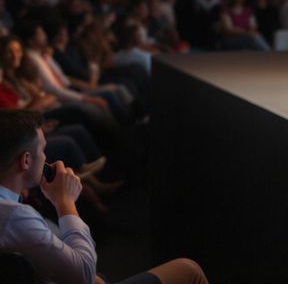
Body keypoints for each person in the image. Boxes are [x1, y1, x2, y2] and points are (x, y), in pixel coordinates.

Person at [0, 109, 209, 284]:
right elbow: (84, 274)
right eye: (43, 150)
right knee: (189, 269)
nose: (47, 157)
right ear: (26, 161)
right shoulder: (15, 217)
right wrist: (65, 203)